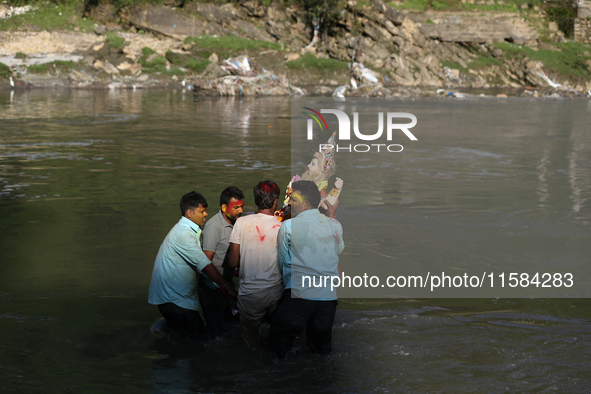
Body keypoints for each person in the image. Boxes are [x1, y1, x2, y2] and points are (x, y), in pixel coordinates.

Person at [269, 180, 344, 359]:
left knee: (278, 338)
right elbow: (338, 250)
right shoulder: (335, 225)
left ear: (306, 203)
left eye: (293, 199)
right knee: (321, 349)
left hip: (300, 292)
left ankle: (286, 380)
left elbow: (281, 261)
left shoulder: (288, 226)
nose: (290, 203)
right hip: (327, 296)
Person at [148, 191, 237, 340]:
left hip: (171, 298)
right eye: (202, 211)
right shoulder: (183, 234)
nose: (206, 214)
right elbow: (205, 265)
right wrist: (226, 286)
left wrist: (220, 288)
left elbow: (201, 266)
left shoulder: (188, 230)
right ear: (189, 213)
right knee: (199, 343)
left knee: (189, 338)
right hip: (174, 300)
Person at [227, 181, 283, 348]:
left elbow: (232, 262)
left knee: (250, 344)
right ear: (275, 202)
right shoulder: (282, 226)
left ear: (256, 200)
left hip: (248, 295)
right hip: (275, 293)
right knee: (277, 338)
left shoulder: (241, 223)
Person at [199, 186, 245, 337]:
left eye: (242, 207)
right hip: (211, 288)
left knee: (233, 325)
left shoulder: (236, 223)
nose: (241, 211)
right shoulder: (214, 227)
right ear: (224, 207)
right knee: (215, 332)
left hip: (226, 285)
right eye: (236, 207)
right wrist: (224, 288)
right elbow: (205, 263)